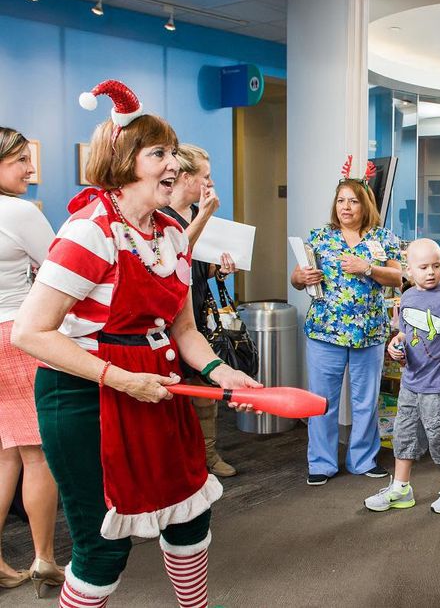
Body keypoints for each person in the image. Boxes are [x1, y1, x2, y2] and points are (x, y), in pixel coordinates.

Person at [12, 80, 261, 607]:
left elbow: (183, 330)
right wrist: (123, 380)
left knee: (191, 514)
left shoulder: (170, 234)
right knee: (103, 546)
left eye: (175, 153)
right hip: (86, 398)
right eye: (160, 154)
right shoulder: (88, 232)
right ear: (124, 161)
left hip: (157, 388)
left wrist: (220, 371)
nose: (176, 165)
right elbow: (30, 332)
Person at [290, 158, 403, 486]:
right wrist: (299, 276)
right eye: (341, 200)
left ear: (365, 203)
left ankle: (363, 460)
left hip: (369, 332)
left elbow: (398, 277)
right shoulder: (320, 237)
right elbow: (298, 280)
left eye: (353, 200)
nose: (346, 207)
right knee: (322, 401)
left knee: (366, 401)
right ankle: (321, 463)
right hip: (325, 331)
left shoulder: (382, 238)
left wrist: (367, 268)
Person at [365, 238, 440, 513]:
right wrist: (396, 344)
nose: (430, 272)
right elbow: (406, 332)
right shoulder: (408, 297)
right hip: (411, 383)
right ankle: (401, 489)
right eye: (423, 266)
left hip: (439, 385)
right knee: (404, 434)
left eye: (436, 266)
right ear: (409, 271)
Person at [0, 127, 61, 595]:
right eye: (21, 160)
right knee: (38, 453)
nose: (30, 169)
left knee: (5, 457)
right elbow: (64, 270)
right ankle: (44, 560)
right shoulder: (18, 211)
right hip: (18, 336)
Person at [161, 144, 239, 478]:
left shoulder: (197, 214)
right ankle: (178, 461)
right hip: (166, 315)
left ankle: (208, 454)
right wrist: (205, 215)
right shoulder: (162, 216)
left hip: (196, 311)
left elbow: (196, 269)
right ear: (185, 177)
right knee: (172, 392)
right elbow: (172, 257)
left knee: (205, 389)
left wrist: (220, 271)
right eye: (205, 176)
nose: (209, 183)